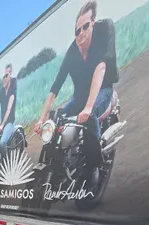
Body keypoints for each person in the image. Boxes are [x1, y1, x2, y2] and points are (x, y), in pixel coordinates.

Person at [35, 1, 118, 141]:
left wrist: (88, 108)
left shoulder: (104, 29)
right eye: (77, 30)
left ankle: (95, 161)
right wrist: (41, 119)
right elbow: (55, 88)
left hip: (103, 89)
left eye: (85, 27)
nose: (81, 33)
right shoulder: (72, 52)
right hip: (79, 96)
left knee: (89, 116)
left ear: (93, 22)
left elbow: (101, 68)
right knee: (56, 122)